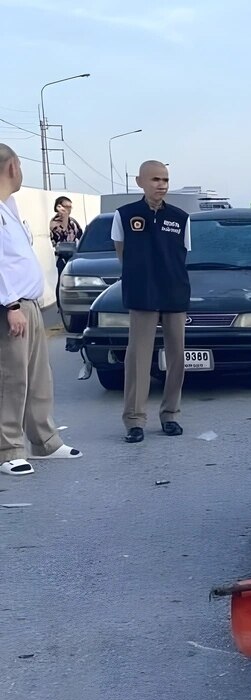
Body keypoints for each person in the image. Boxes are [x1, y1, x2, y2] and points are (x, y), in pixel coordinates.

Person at [0, 143, 81, 476]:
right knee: (12, 378)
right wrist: (10, 304)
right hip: (11, 306)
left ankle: (44, 441)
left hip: (28, 304)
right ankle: (8, 449)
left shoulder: (10, 206)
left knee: (38, 378)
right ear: (13, 167)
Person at [111, 160, 191, 443]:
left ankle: (170, 414)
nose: (161, 185)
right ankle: (134, 420)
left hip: (174, 292)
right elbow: (122, 255)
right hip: (142, 293)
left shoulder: (182, 218)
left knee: (177, 357)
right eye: (156, 179)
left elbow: (183, 254)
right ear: (140, 181)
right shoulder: (124, 215)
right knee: (138, 358)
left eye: (166, 180)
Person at [49, 195, 83, 271]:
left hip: (74, 257)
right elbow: (62, 235)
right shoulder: (55, 222)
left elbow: (80, 235)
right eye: (67, 206)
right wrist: (64, 216)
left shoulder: (73, 222)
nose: (69, 209)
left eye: (70, 207)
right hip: (62, 257)